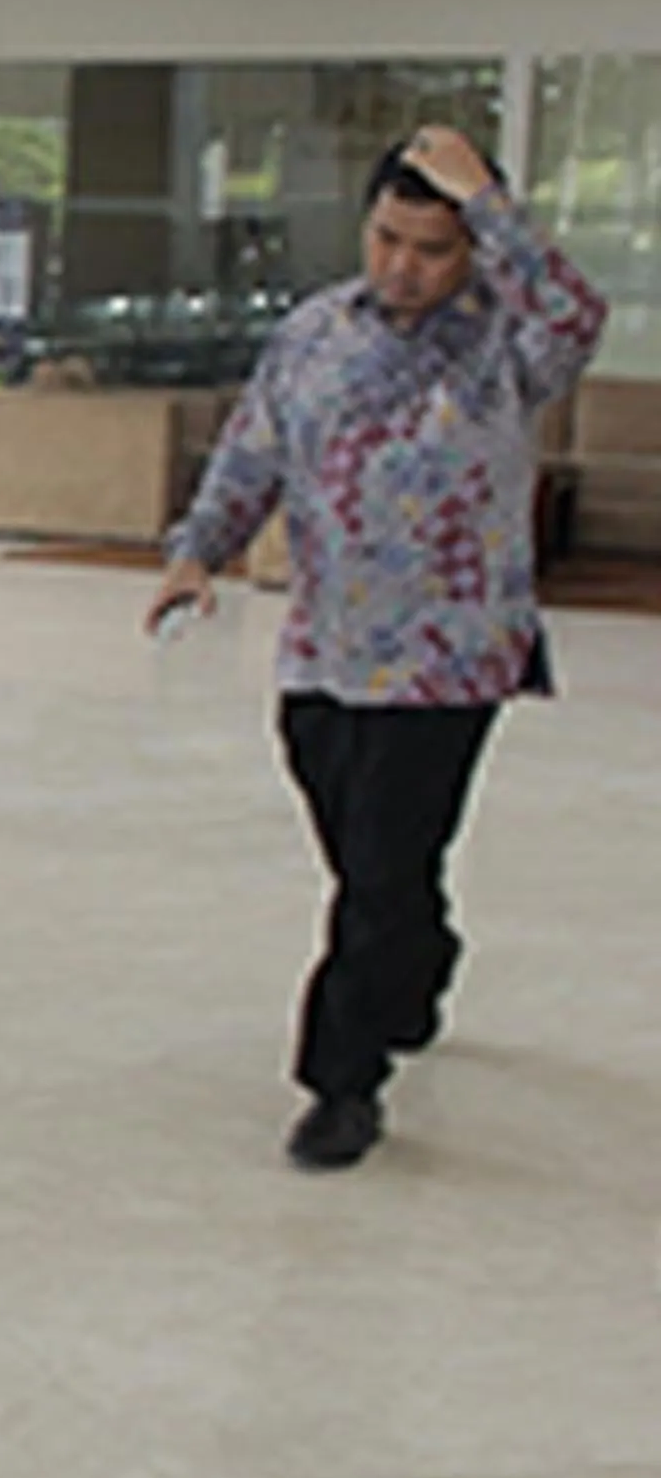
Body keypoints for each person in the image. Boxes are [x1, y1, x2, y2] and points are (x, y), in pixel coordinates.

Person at [146, 124, 605, 1172]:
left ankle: (340, 1082)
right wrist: (195, 551)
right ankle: (422, 957)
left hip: (450, 661)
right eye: (388, 237)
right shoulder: (315, 331)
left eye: (433, 246)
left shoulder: (510, 340)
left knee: (379, 873)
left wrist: (490, 201)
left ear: (475, 248)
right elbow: (253, 447)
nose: (402, 264)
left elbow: (579, 313)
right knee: (371, 858)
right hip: (323, 652)